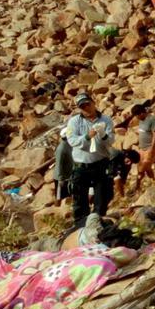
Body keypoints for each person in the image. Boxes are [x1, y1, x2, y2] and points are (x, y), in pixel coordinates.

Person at [65, 92, 115, 227]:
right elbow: (72, 140)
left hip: (100, 163)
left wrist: (103, 135)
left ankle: (98, 222)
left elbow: (111, 141)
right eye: (82, 106)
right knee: (80, 197)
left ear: (93, 103)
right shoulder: (74, 122)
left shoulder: (105, 120)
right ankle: (81, 224)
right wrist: (87, 137)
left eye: (88, 104)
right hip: (82, 165)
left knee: (102, 195)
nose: (86, 108)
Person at [130, 103, 155, 191]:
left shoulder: (152, 119)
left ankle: (137, 186)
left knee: (142, 168)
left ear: (142, 113)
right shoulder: (141, 120)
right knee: (147, 167)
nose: (136, 117)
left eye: (137, 115)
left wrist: (152, 148)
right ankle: (154, 180)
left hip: (150, 148)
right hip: (142, 149)